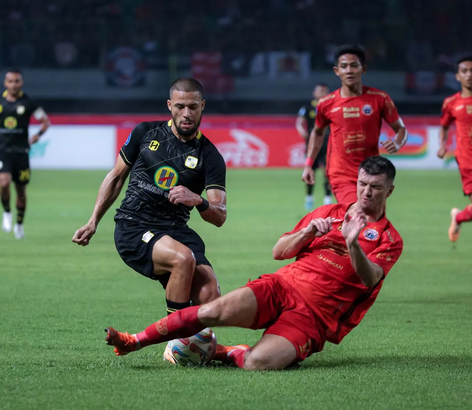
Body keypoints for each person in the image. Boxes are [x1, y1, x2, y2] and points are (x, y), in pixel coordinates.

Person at [105, 156, 403, 371]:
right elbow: (279, 251)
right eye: (362, 184)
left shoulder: (389, 238)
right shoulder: (329, 212)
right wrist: (307, 231)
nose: (366, 192)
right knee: (211, 311)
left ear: (388, 191)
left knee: (256, 364)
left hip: (315, 317)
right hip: (281, 286)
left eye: (375, 187)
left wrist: (352, 244)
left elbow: (370, 278)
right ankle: (134, 341)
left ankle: (226, 353)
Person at [72, 78, 227, 359]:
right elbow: (116, 177)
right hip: (134, 225)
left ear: (202, 106)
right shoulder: (145, 133)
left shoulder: (210, 157)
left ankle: (202, 349)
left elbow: (219, 216)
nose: (187, 113)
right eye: (180, 106)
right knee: (183, 259)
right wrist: (93, 220)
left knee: (211, 299)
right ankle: (174, 343)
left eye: (193, 106)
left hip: (175, 229)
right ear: (170, 106)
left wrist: (199, 200)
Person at [302, 44, 408, 204]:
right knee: (358, 214)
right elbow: (317, 132)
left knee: (373, 224)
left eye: (354, 65)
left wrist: (397, 142)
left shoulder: (380, 99)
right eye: (344, 66)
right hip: (341, 174)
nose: (349, 71)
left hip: (372, 173)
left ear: (363, 69)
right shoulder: (326, 103)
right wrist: (309, 164)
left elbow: (401, 129)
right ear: (337, 71)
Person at [0, 69, 50, 239]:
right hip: (2, 151)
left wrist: (38, 135)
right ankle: (7, 212)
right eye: (10, 81)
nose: (14, 84)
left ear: (21, 83)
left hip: (21, 153)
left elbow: (45, 121)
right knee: (4, 183)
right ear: (5, 83)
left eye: (17, 81)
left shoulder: (28, 103)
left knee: (20, 189)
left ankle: (19, 223)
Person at [438, 55, 472, 241]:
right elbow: (444, 126)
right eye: (464, 71)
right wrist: (442, 145)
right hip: (468, 161)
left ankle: (458, 217)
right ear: (457, 76)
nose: (469, 74)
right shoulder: (451, 103)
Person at [296, 83, 332, 209]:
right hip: (312, 144)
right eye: (320, 91)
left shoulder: (332, 107)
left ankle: (327, 198)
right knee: (310, 170)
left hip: (328, 144)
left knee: (328, 172)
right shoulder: (307, 106)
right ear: (314, 93)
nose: (322, 94)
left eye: (324, 91)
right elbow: (299, 122)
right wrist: (302, 132)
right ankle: (309, 198)